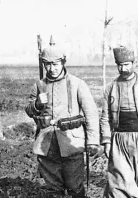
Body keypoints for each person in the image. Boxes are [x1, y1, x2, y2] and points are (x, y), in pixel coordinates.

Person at [25, 45, 100, 198]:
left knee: (74, 186)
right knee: (53, 188)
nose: (51, 68)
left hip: (71, 142)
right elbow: (29, 111)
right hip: (47, 144)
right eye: (47, 64)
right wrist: (37, 104)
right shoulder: (39, 86)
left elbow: (91, 114)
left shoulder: (77, 84)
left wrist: (92, 141)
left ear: (63, 62)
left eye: (55, 64)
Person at [100, 46, 138, 197]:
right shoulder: (111, 87)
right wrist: (107, 142)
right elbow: (105, 116)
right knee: (120, 184)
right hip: (120, 140)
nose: (123, 68)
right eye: (120, 65)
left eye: (127, 64)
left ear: (134, 63)